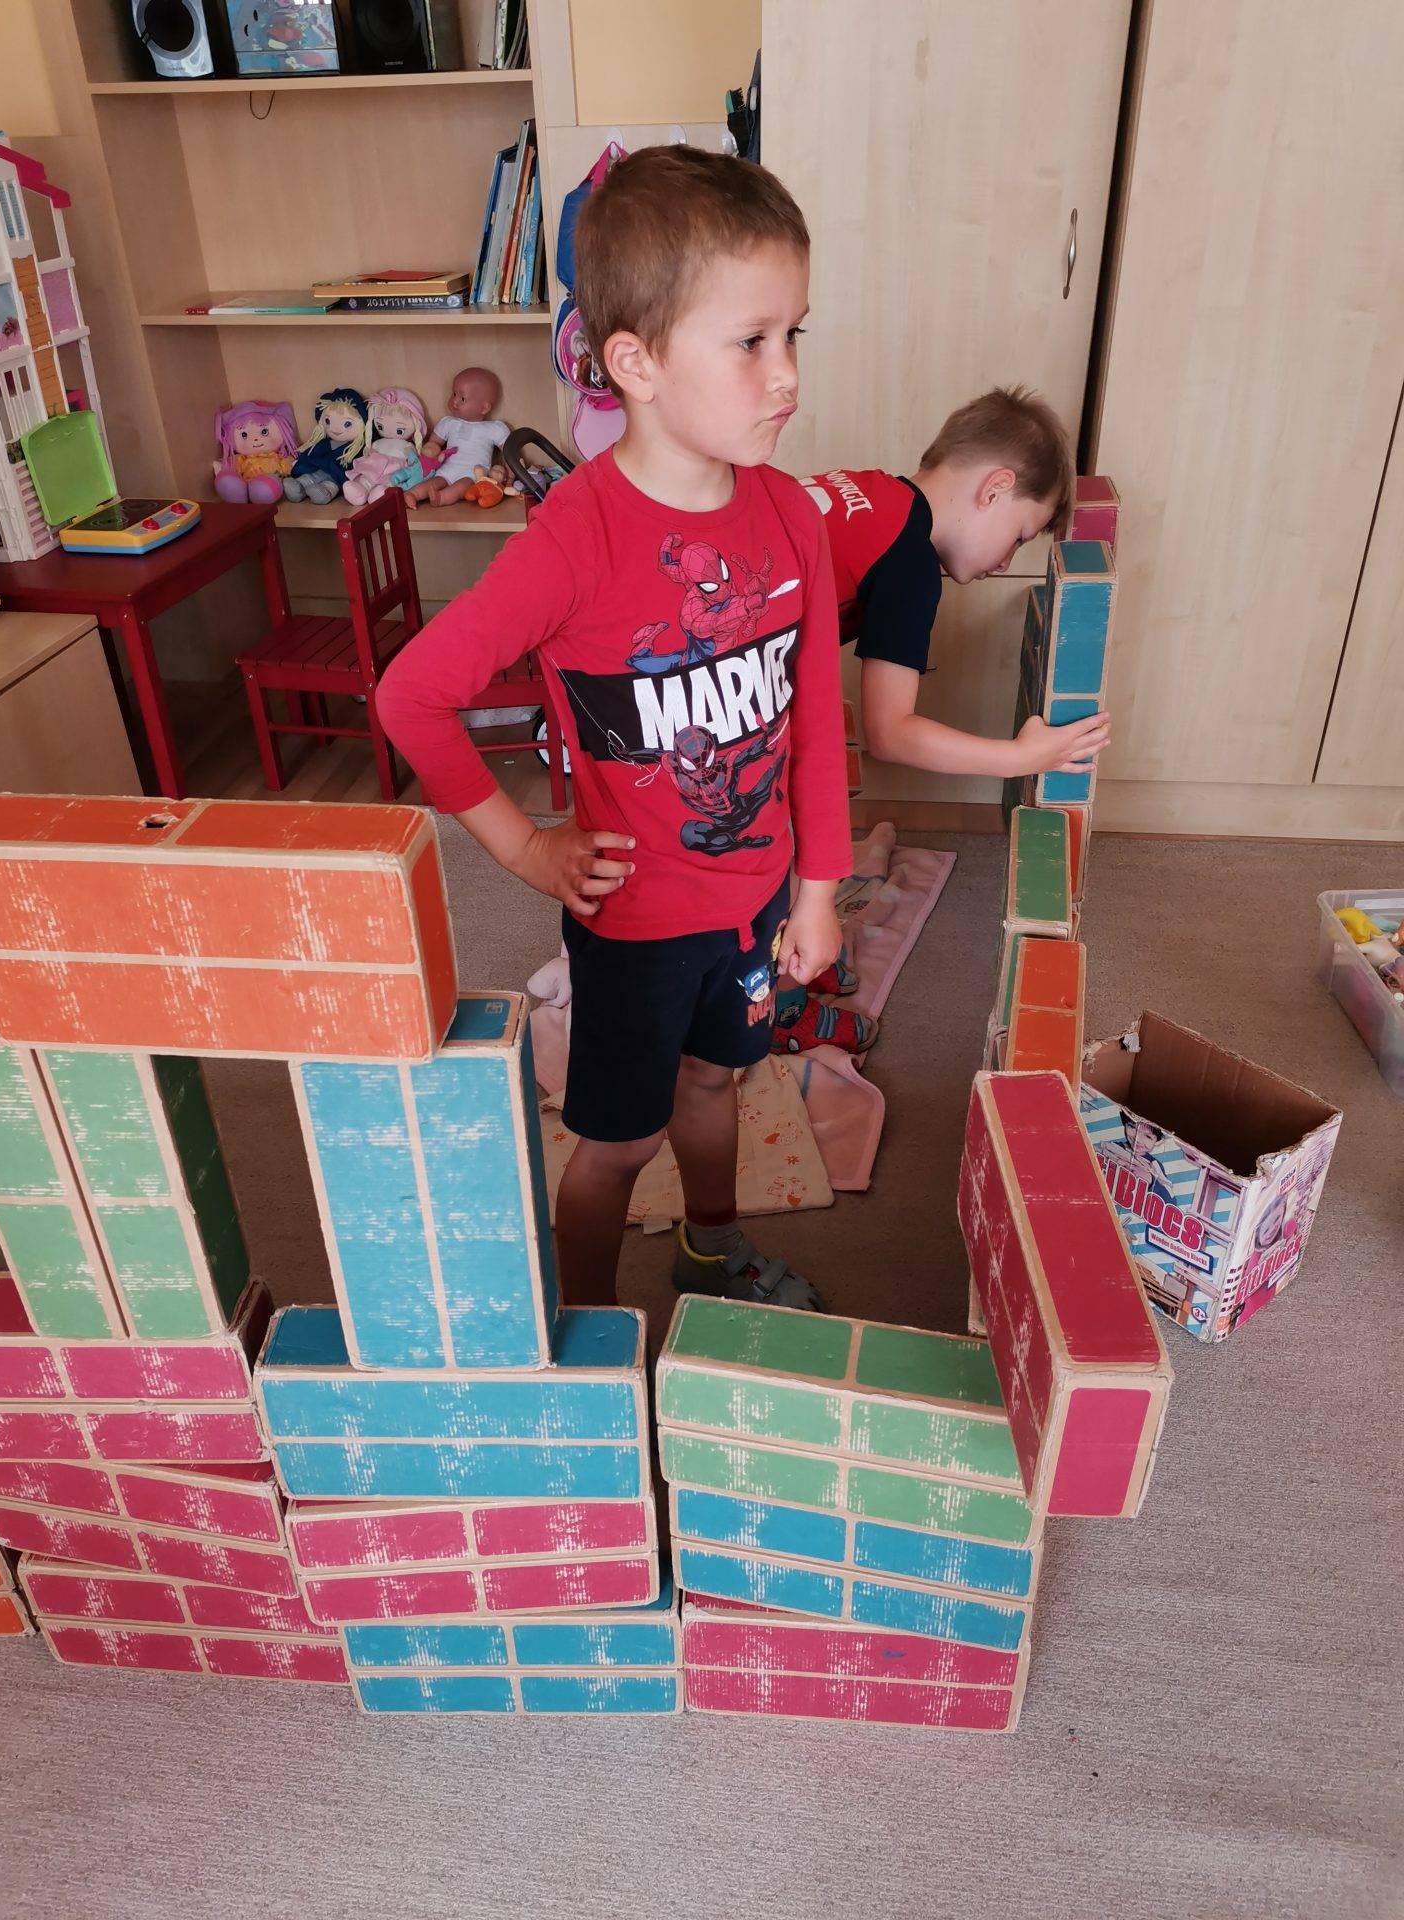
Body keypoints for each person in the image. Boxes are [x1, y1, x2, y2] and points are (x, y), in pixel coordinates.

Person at [378, 145, 852, 1313]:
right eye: (752, 342)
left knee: (716, 1088)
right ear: (635, 362)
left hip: (753, 902)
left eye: (795, 335)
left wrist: (818, 892)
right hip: (635, 927)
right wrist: (522, 847)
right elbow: (411, 697)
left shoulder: (793, 516)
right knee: (618, 1146)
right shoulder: (574, 538)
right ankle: (582, 1340)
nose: (787, 375)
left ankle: (713, 1251)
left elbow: (817, 723)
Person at [807, 387, 1111, 780]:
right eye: (1019, 537)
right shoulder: (908, 562)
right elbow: (890, 734)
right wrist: (1020, 758)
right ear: (994, 490)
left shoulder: (864, 486)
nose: (1005, 562)